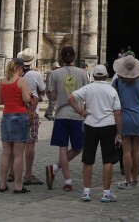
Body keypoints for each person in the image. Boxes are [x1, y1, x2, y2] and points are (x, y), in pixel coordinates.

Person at [68, 64, 122, 203]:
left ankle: (86, 192)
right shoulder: (111, 90)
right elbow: (117, 113)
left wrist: (81, 112)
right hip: (108, 125)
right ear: (106, 75)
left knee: (88, 159)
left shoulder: (88, 88)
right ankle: (106, 193)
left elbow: (70, 98)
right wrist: (119, 132)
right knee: (108, 160)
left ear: (93, 76)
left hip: (91, 125)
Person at [45, 46, 87, 191]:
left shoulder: (55, 74)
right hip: (77, 115)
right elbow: (87, 94)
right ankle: (56, 169)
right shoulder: (83, 73)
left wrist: (61, 98)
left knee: (63, 148)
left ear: (61, 58)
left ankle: (66, 179)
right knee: (78, 147)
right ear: (74, 57)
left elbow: (53, 94)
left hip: (61, 114)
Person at [0, 57, 32, 193]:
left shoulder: (2, 82)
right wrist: (28, 94)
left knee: (5, 153)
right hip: (19, 116)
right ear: (19, 68)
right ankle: (17, 185)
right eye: (22, 68)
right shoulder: (21, 81)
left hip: (6, 116)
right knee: (18, 154)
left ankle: (3, 184)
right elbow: (26, 99)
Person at [113, 55, 139, 189]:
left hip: (124, 116)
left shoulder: (118, 83)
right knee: (136, 150)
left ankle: (127, 180)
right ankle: (135, 179)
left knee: (126, 150)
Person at [18, 49, 46, 185]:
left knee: (14, 143)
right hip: (31, 112)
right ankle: (28, 174)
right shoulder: (35, 74)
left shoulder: (15, 74)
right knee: (30, 144)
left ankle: (12, 173)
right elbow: (42, 91)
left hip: (16, 111)